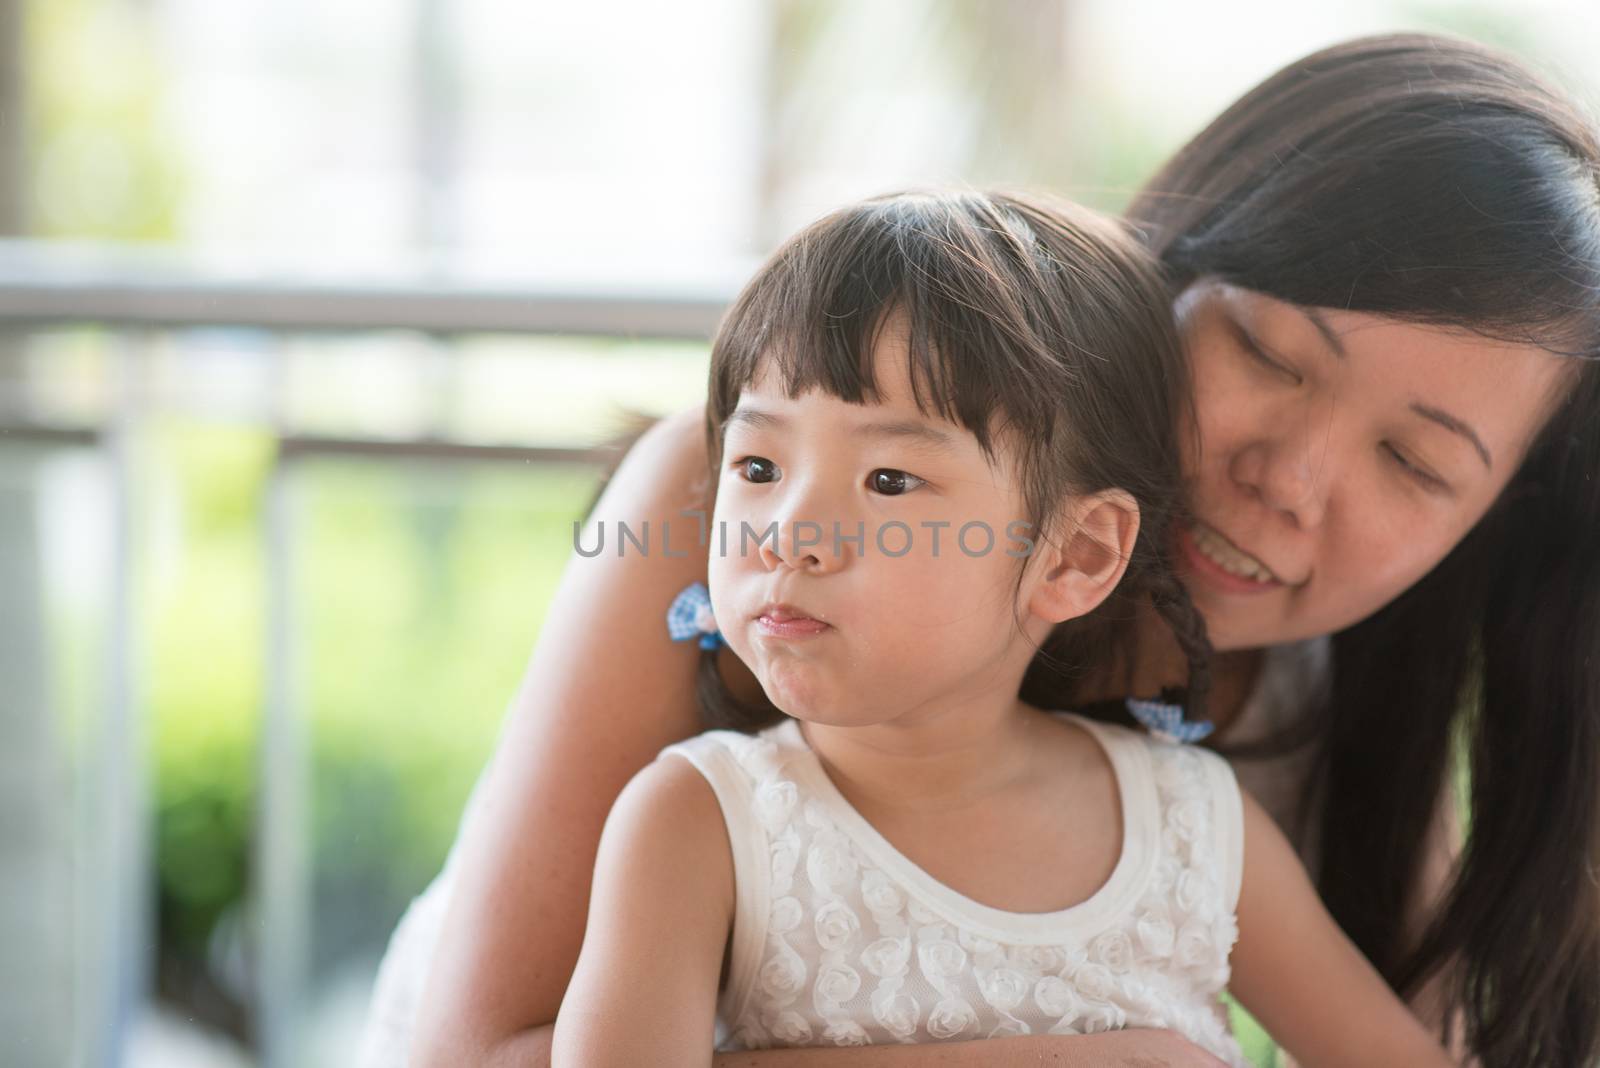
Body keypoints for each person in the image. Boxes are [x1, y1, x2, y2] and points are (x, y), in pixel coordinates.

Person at [387, 32, 1600, 1068]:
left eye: (1413, 464)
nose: (1286, 479)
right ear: (1161, 279)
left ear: (1486, 531)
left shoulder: (1311, 732)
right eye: (1269, 356)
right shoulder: (725, 514)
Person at [547, 187, 1456, 1067]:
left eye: (889, 482)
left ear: (1075, 557)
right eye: (756, 464)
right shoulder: (696, 826)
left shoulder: (1196, 828)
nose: (791, 533)